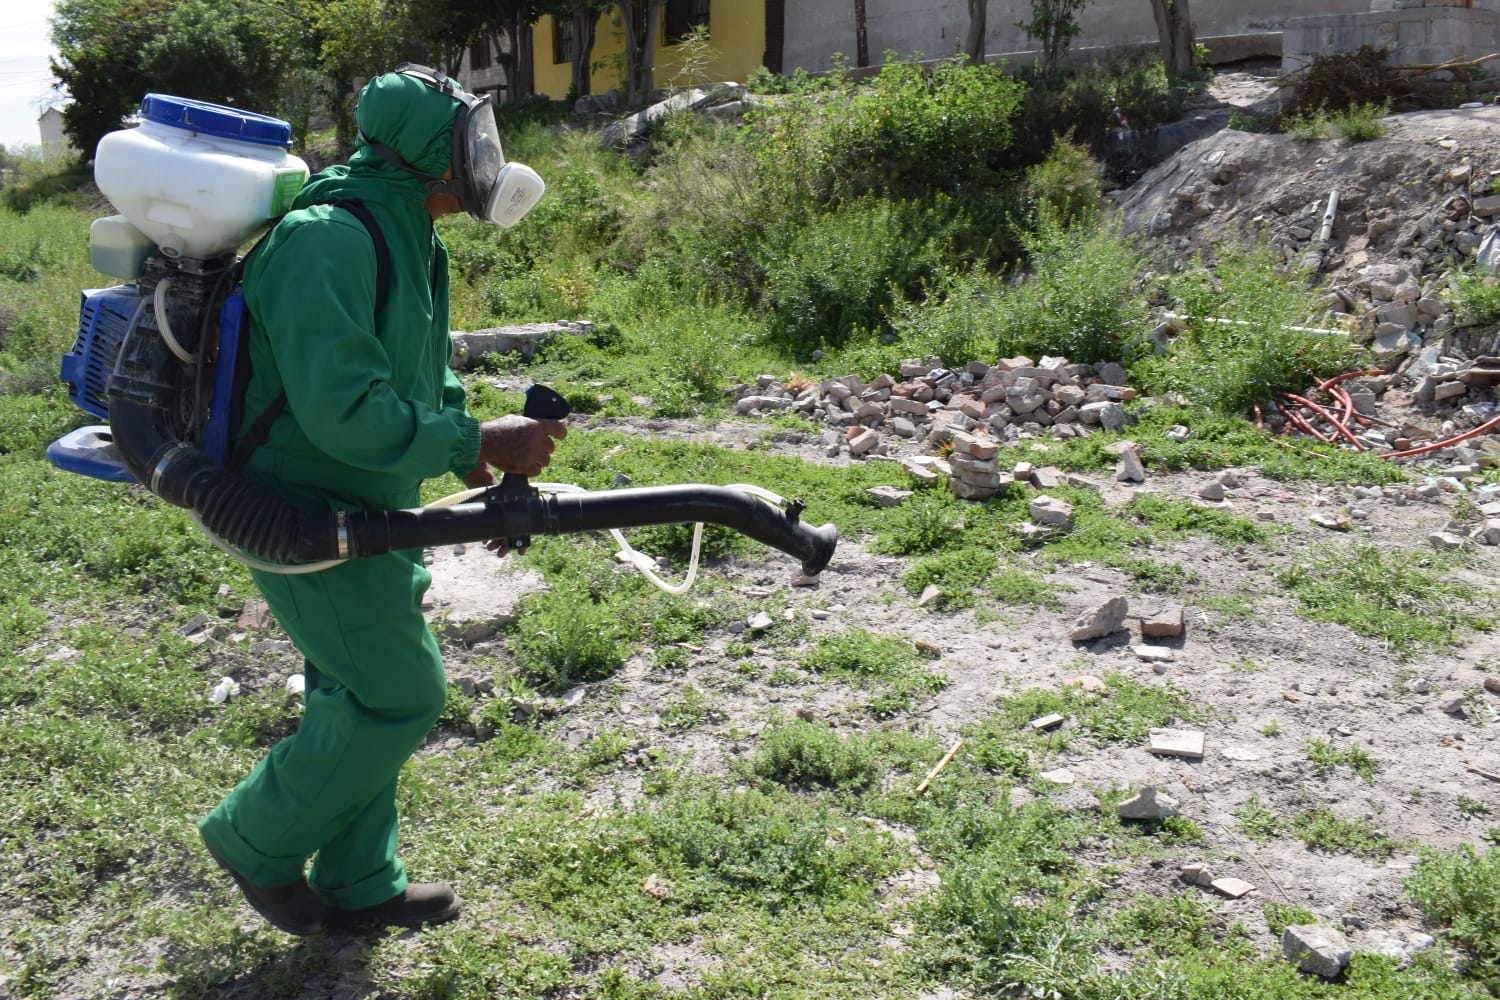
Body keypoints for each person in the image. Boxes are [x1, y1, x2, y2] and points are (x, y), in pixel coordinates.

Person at [198, 65, 566, 935]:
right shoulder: (330, 236)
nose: (484, 164)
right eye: (468, 147)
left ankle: (361, 880)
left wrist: (459, 436)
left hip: (369, 496)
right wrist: (475, 442)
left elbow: (413, 364)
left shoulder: (405, 230)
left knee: (352, 691)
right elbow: (343, 413)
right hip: (303, 504)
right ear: (421, 158)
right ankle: (253, 838)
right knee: (399, 694)